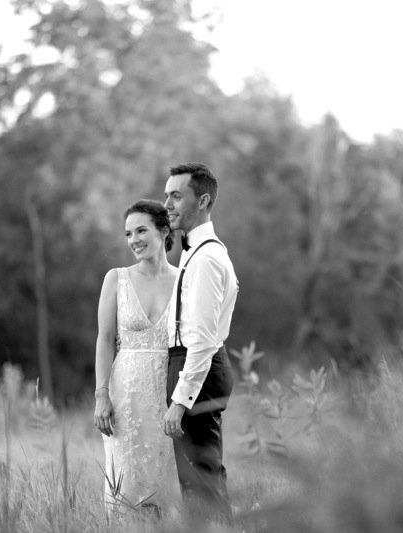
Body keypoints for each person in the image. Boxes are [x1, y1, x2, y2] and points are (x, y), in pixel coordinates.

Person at [162, 163, 238, 524]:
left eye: (176, 196)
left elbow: (204, 340)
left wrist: (180, 401)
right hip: (194, 365)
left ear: (203, 200)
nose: (168, 204)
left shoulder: (206, 258)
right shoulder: (195, 251)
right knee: (198, 481)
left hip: (199, 369)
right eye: (166, 196)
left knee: (202, 482)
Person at [93, 199, 179, 517]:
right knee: (127, 484)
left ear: (164, 230)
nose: (134, 240)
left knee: (167, 483)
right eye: (128, 234)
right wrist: (101, 394)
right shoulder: (116, 279)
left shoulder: (186, 280)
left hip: (170, 394)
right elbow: (104, 340)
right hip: (125, 393)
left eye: (141, 230)